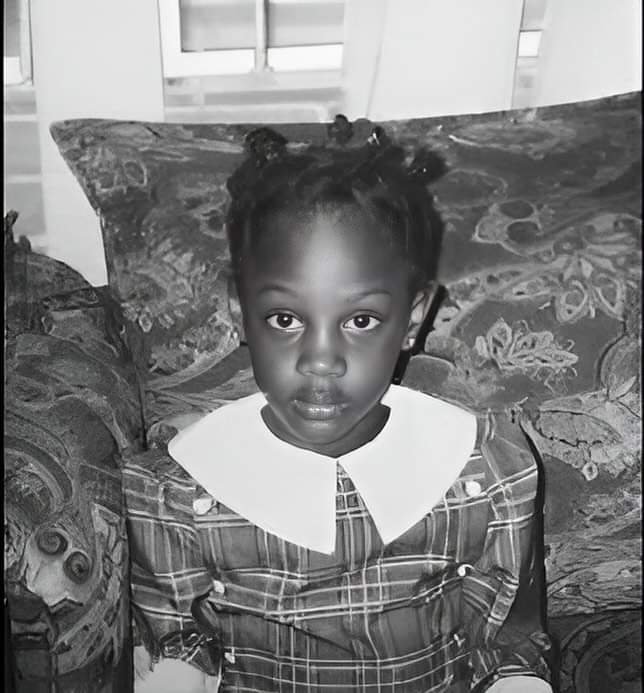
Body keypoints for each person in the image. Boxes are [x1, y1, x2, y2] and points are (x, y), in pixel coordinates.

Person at [125, 117, 554, 692]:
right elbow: (178, 644)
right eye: (285, 319)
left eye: (360, 320)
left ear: (413, 319)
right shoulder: (180, 493)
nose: (321, 360)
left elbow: (508, 640)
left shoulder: (487, 473)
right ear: (239, 312)